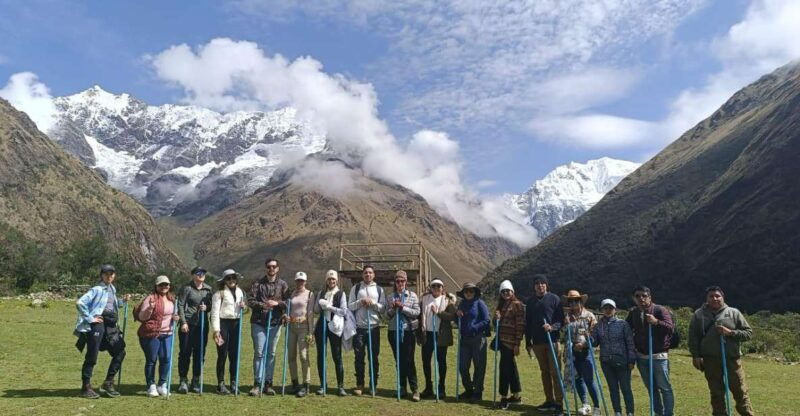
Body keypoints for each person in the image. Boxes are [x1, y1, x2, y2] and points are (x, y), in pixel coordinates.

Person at [688, 286, 755, 416]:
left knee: (740, 390)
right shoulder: (699, 315)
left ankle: (747, 414)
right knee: (716, 392)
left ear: (723, 297)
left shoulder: (734, 313)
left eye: (717, 296)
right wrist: (695, 356)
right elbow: (693, 337)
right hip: (710, 360)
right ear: (707, 299)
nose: (715, 298)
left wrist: (731, 333)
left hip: (731, 358)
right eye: (711, 296)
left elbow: (749, 333)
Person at [74, 264, 130, 399]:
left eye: (111, 274)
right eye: (106, 274)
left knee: (120, 351)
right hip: (98, 325)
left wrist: (122, 301)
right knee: (92, 355)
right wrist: (90, 318)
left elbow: (112, 305)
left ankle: (108, 382)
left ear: (114, 276)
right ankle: (86, 387)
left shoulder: (112, 289)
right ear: (102, 275)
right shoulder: (97, 289)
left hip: (111, 326)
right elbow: (80, 303)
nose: (109, 276)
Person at [625, 285, 675, 416]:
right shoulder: (634, 313)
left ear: (649, 297)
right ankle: (658, 413)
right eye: (637, 296)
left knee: (665, 388)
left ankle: (668, 414)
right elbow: (626, 329)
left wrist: (656, 322)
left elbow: (670, 328)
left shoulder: (660, 310)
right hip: (642, 356)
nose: (641, 298)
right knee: (651, 389)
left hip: (659, 356)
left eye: (644, 295)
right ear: (634, 298)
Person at [247, 258, 289, 396]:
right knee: (259, 353)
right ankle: (257, 384)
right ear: (266, 268)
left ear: (278, 268)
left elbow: (288, 302)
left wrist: (277, 304)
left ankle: (268, 383)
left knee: (271, 353)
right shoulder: (257, 284)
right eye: (269, 266)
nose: (271, 269)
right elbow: (251, 301)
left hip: (275, 324)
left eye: (274, 266)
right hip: (259, 323)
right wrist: (263, 305)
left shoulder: (283, 285)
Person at [524, 274, 565, 413]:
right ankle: (549, 400)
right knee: (544, 372)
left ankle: (559, 404)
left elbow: (561, 320)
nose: (540, 285)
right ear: (534, 286)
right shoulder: (530, 302)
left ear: (546, 285)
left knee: (556, 372)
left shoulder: (554, 299)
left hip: (552, 341)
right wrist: (527, 342)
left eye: (543, 283)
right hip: (537, 342)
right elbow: (528, 323)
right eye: (537, 283)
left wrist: (552, 327)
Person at [135, 275, 179, 398]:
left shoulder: (172, 298)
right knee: (152, 360)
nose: (164, 287)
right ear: (156, 286)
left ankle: (162, 384)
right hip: (151, 334)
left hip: (167, 333)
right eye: (161, 285)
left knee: (166, 358)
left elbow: (174, 314)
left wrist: (176, 317)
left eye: (166, 284)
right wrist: (150, 308)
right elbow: (142, 317)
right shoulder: (150, 298)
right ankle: (151, 385)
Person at [591, 298, 636, 416]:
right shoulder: (598, 325)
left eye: (610, 308)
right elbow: (594, 342)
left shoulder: (623, 324)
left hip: (622, 361)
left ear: (615, 310)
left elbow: (630, 343)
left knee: (626, 388)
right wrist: (587, 336)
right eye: (605, 308)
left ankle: (630, 412)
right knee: (613, 389)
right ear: (602, 310)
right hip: (606, 362)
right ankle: (617, 411)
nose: (608, 310)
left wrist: (631, 360)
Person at [347, 265, 385, 396]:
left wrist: (373, 303)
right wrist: (360, 302)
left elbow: (383, 308)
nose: (368, 275)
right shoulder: (356, 288)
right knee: (359, 357)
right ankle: (360, 384)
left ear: (374, 275)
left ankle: (373, 385)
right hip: (359, 329)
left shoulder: (379, 290)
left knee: (373, 357)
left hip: (374, 328)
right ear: (362, 275)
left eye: (370, 273)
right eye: (365, 273)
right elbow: (350, 306)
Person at [563, 289, 600, 416]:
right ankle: (585, 404)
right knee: (578, 378)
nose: (573, 304)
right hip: (572, 353)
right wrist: (566, 325)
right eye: (570, 301)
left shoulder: (589, 316)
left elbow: (595, 335)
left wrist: (584, 344)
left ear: (580, 302)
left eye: (575, 301)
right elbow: (563, 337)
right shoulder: (567, 317)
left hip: (585, 353)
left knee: (589, 380)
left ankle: (597, 407)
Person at [176, 266, 213, 394]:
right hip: (187, 325)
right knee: (185, 352)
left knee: (200, 353)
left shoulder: (208, 290)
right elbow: (180, 305)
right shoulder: (187, 288)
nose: (201, 275)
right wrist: (183, 322)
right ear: (193, 275)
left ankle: (196, 380)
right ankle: (183, 380)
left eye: (203, 273)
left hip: (202, 325)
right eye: (198, 273)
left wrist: (206, 307)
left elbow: (211, 306)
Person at [385, 270, 421, 401]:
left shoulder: (413, 296)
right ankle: (402, 387)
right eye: (398, 281)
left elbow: (417, 312)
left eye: (402, 281)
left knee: (409, 360)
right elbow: (386, 316)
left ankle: (415, 389)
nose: (400, 283)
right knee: (398, 360)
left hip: (408, 332)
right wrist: (393, 309)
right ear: (395, 283)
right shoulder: (390, 297)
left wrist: (403, 308)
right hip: (393, 331)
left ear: (406, 282)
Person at [210, 269, 247, 395]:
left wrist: (244, 307)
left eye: (233, 278)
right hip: (223, 324)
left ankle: (233, 383)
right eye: (228, 278)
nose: (231, 280)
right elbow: (214, 313)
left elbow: (244, 310)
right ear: (224, 280)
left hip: (236, 324)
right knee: (222, 354)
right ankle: (221, 384)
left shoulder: (240, 292)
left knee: (234, 355)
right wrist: (216, 330)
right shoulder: (219, 294)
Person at [419, 278, 456, 399]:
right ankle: (428, 387)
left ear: (442, 288)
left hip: (441, 336)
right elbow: (420, 315)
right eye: (434, 286)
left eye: (439, 286)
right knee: (426, 361)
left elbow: (451, 316)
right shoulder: (424, 299)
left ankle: (441, 388)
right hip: (427, 334)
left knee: (441, 362)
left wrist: (438, 313)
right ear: (431, 287)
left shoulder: (448, 301)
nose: (436, 288)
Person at [314, 270, 349, 397]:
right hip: (321, 326)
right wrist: (320, 303)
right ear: (326, 281)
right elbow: (316, 310)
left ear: (336, 280)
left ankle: (340, 386)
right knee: (321, 355)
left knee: (337, 355)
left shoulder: (341, 294)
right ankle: (323, 385)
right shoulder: (321, 293)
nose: (331, 281)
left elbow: (344, 311)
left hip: (335, 326)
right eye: (329, 279)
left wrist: (329, 307)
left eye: (333, 279)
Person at [456, 282, 490, 402]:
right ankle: (469, 389)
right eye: (466, 291)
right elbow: (458, 321)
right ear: (463, 293)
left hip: (478, 338)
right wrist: (457, 314)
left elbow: (486, 320)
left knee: (479, 366)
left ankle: (477, 391)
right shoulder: (462, 304)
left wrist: (474, 328)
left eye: (471, 291)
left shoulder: (480, 303)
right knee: (463, 366)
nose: (469, 293)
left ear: (475, 292)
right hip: (465, 339)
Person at [494, 280, 525, 410]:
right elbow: (496, 326)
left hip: (510, 343)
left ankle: (504, 397)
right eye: (503, 291)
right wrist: (495, 318)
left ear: (513, 292)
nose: (506, 293)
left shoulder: (517, 305)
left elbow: (520, 325)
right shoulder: (501, 306)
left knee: (505, 369)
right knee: (511, 368)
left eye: (508, 291)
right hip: (502, 341)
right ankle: (516, 396)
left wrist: (517, 343)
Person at [286, 271, 315, 397]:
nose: (300, 282)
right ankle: (295, 383)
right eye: (298, 280)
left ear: (305, 282)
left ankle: (306, 385)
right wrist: (286, 317)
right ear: (295, 281)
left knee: (303, 356)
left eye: (302, 281)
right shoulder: (291, 294)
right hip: (291, 327)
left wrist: (310, 332)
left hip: (303, 327)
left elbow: (310, 314)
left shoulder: (310, 294)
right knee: (291, 356)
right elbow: (288, 310)